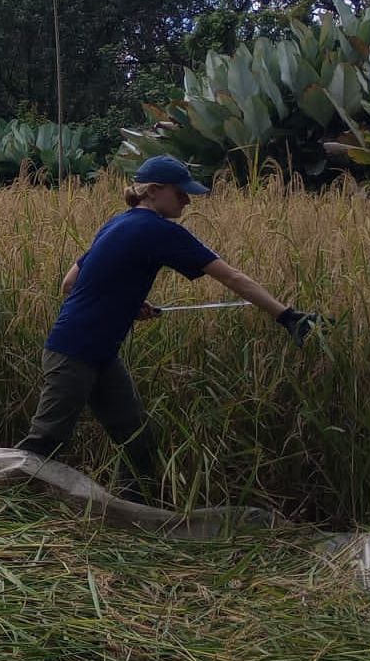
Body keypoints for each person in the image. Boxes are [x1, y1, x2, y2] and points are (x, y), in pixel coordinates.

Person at [16, 155, 321, 502]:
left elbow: (70, 283)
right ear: (154, 191)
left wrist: (127, 304)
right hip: (74, 353)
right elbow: (232, 277)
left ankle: (132, 511)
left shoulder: (117, 223)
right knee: (47, 439)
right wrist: (287, 317)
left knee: (137, 437)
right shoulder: (157, 230)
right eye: (181, 194)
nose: (188, 201)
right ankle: (2, 506)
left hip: (96, 353)